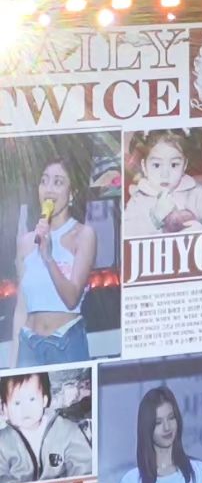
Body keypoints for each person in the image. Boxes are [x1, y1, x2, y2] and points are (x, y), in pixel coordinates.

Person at [11, 154, 98, 367]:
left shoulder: (83, 235)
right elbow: (21, 308)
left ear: (71, 193)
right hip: (29, 347)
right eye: (44, 181)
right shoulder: (26, 242)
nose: (49, 189)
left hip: (66, 343)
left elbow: (72, 298)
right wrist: (13, 365)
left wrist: (48, 257)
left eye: (58, 182)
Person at [0, 371, 92, 482]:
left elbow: (84, 467)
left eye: (32, 399)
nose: (25, 408)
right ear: (4, 409)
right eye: (17, 403)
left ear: (44, 400)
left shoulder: (66, 431)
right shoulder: (3, 442)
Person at [122, 130, 202, 236]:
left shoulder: (194, 194)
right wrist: (155, 218)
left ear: (184, 166)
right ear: (144, 167)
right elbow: (128, 233)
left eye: (174, 165)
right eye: (156, 165)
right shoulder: (139, 199)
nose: (165, 174)